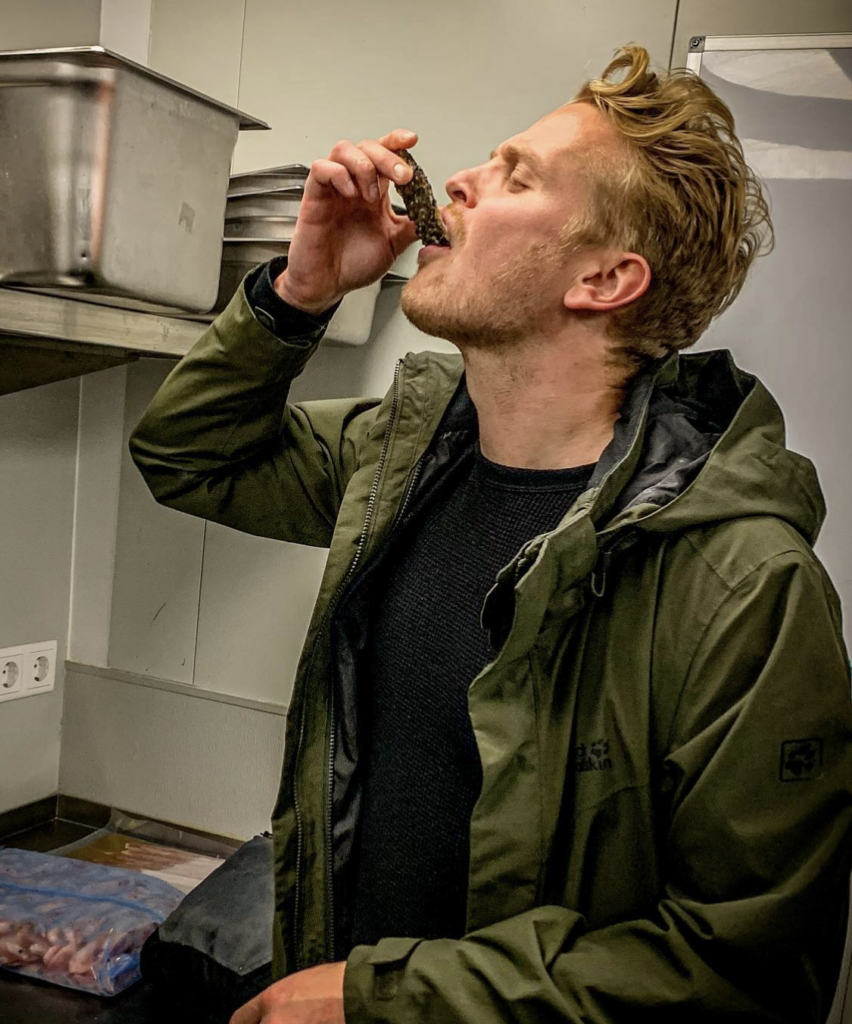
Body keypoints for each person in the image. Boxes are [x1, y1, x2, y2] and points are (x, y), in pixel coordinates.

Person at [130, 44, 852, 1024]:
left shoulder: (743, 586)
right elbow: (186, 457)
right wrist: (297, 296)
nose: (459, 179)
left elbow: (743, 978)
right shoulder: (398, 456)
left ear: (603, 278)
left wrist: (379, 999)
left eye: (513, 175)